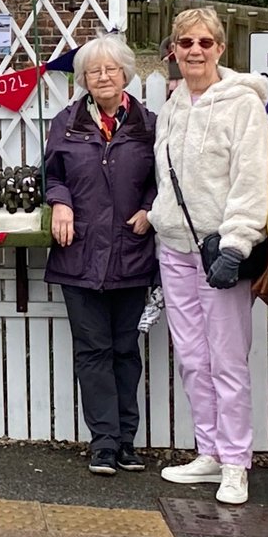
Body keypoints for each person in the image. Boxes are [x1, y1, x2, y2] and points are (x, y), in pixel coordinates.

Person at [149, 7, 268, 504]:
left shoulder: (243, 105)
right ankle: (210, 451)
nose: (194, 51)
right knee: (194, 358)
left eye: (204, 42)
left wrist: (238, 244)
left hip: (220, 249)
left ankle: (237, 462)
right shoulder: (173, 104)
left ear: (221, 47)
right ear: (173, 50)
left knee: (226, 359)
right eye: (185, 43)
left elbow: (251, 178)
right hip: (174, 245)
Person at [44, 34, 158, 476]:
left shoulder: (147, 123)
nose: (103, 76)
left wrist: (150, 209)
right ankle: (104, 443)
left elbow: (161, 178)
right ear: (84, 79)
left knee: (126, 349)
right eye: (94, 71)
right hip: (81, 253)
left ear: (126, 73)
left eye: (111, 69)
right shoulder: (66, 122)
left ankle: (127, 441)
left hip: (131, 250)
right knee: (92, 350)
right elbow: (52, 175)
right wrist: (61, 201)